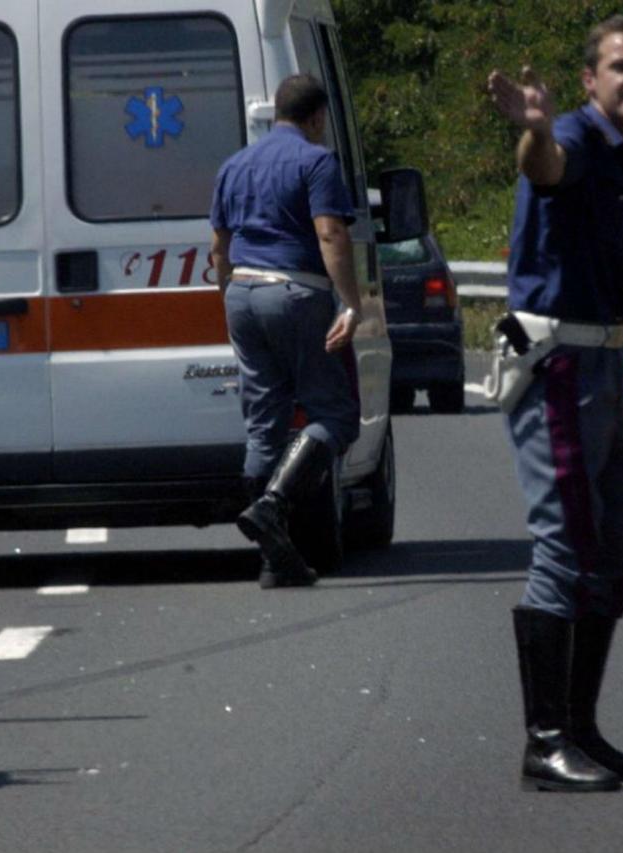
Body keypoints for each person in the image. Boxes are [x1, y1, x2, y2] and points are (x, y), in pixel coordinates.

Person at [487, 14, 623, 792]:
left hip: (607, 364)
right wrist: (529, 128)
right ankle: (545, 740)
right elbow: (544, 166)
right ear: (591, 79)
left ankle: (583, 727)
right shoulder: (571, 137)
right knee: (564, 546)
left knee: (616, 554)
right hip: (556, 360)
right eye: (621, 66)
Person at [209, 73, 362, 590]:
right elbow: (330, 232)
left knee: (264, 424)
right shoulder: (316, 162)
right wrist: (351, 303)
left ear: (276, 112)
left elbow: (218, 247)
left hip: (241, 292)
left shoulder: (233, 165)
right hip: (295, 292)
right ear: (316, 117)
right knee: (335, 415)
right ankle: (273, 506)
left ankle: (275, 560)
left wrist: (229, 300)